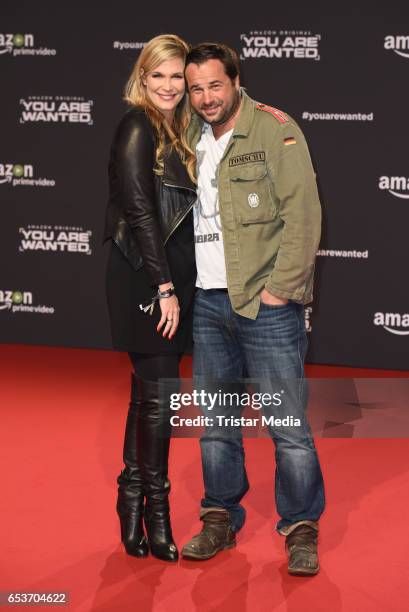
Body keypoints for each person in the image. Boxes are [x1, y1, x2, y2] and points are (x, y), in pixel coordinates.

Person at [181, 43, 325, 575]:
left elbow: (303, 214)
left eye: (215, 85)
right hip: (207, 302)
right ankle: (219, 516)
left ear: (236, 79)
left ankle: (302, 527)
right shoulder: (188, 136)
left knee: (288, 426)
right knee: (216, 423)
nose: (205, 97)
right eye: (196, 88)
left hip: (264, 303)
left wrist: (280, 291)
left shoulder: (274, 129)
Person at [103, 34, 196, 562]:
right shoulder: (138, 125)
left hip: (173, 278)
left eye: (176, 75)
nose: (167, 85)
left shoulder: (179, 130)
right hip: (145, 276)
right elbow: (141, 211)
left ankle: (131, 496)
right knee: (160, 398)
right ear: (143, 78)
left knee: (147, 396)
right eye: (157, 75)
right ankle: (155, 511)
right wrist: (163, 288)